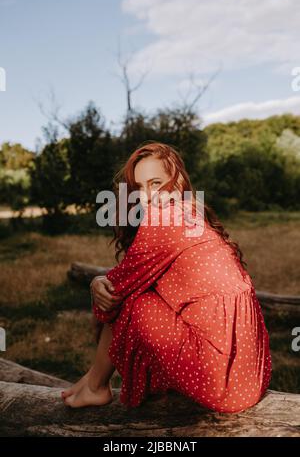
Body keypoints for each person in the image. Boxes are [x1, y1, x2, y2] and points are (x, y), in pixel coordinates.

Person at [61, 141, 272, 412]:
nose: (147, 196)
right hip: (250, 378)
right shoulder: (191, 214)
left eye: (156, 183)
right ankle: (91, 382)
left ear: (178, 179)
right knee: (135, 292)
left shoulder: (167, 218)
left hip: (222, 383)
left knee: (131, 301)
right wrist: (102, 282)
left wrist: (97, 282)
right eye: (138, 189)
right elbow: (130, 276)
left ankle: (95, 385)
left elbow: (117, 289)